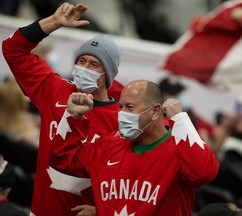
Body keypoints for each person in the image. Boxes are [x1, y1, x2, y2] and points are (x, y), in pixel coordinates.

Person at [2, 2, 123, 216]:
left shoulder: (123, 118)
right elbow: (12, 49)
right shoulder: (55, 90)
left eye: (94, 64)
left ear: (108, 74)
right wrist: (54, 23)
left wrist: (105, 209)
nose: (84, 68)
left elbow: (135, 175)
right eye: (81, 61)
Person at [49, 80, 220, 215]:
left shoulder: (179, 149)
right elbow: (63, 158)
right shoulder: (108, 145)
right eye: (120, 107)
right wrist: (73, 117)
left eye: (130, 107)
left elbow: (202, 174)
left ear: (155, 111)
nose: (122, 114)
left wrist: (180, 119)